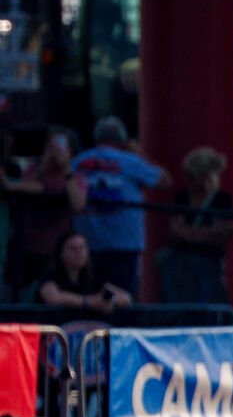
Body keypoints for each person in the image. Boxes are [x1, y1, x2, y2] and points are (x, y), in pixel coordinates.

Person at [70, 116, 165, 295]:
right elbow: (164, 180)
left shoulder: (77, 162)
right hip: (124, 243)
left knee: (89, 295)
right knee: (123, 298)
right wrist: (139, 154)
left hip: (86, 243)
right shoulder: (132, 161)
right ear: (123, 140)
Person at [6, 132, 86, 298]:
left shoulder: (75, 177)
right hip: (26, 248)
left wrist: (66, 171)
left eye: (61, 148)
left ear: (70, 153)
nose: (56, 153)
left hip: (57, 252)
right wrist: (43, 168)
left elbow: (78, 204)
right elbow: (21, 187)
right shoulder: (33, 172)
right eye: (51, 148)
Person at [161, 147, 233, 305]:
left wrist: (190, 233)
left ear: (203, 176)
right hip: (180, 266)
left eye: (192, 176)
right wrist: (206, 233)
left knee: (209, 300)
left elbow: (225, 231)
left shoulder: (222, 199)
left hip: (210, 263)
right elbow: (175, 229)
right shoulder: (182, 196)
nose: (188, 180)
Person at [35, 231, 128, 315]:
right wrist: (89, 302)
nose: (79, 252)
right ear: (61, 254)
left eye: (82, 247)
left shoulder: (92, 277)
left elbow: (125, 297)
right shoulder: (51, 274)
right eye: (72, 248)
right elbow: (53, 298)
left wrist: (108, 301)